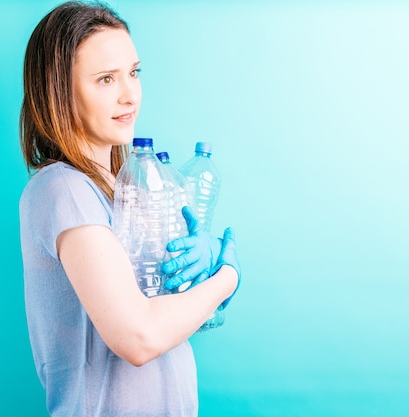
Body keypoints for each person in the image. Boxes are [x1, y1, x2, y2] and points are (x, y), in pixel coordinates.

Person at [18, 1, 241, 416]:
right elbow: (138, 337)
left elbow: (155, 308)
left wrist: (194, 273)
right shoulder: (63, 189)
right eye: (105, 79)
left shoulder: (120, 189)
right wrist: (226, 278)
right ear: (58, 92)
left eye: (133, 73)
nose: (129, 95)